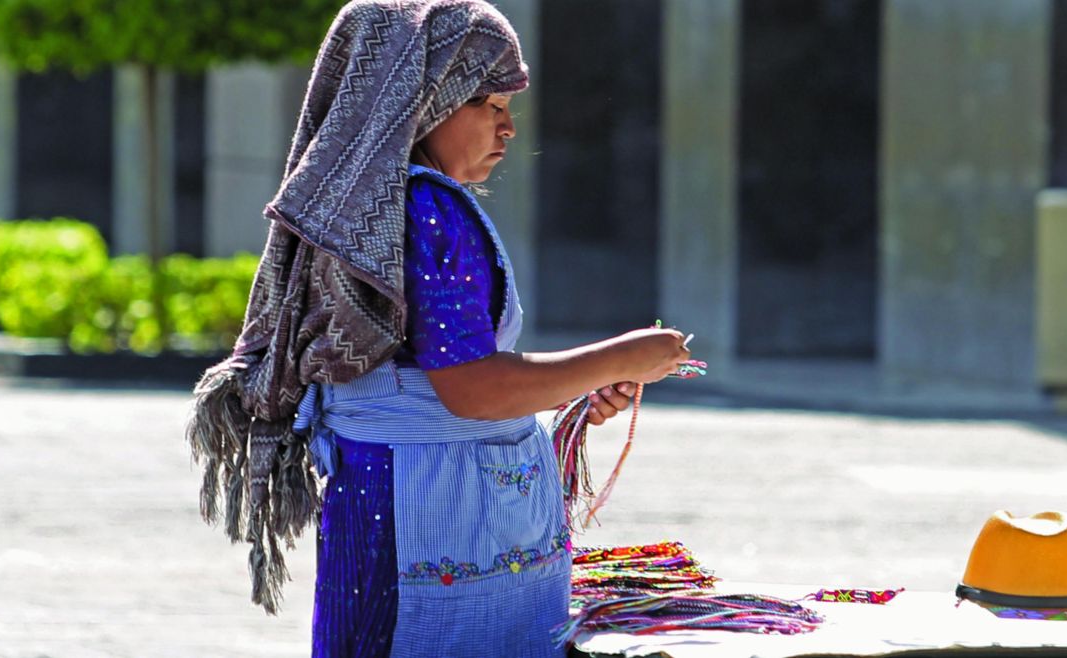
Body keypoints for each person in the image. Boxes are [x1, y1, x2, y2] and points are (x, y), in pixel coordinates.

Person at [185, 1, 691, 656]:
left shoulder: (383, 208)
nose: (508, 128)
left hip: (389, 494)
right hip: (423, 516)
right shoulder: (426, 209)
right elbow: (470, 390)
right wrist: (624, 354)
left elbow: (428, 380)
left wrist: (572, 398)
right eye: (487, 103)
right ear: (424, 99)